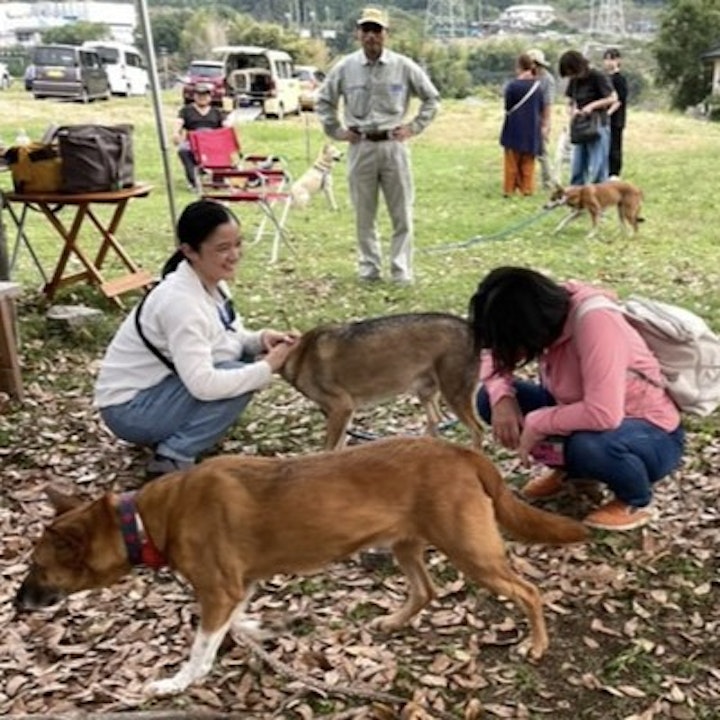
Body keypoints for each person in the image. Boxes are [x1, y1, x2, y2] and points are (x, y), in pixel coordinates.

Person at [469, 266, 684, 531]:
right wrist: (502, 398)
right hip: (576, 411)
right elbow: (492, 353)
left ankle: (632, 498)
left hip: (648, 431)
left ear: (529, 329)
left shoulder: (596, 322)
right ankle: (574, 474)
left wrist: (537, 422)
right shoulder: (544, 306)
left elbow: (604, 414)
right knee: (487, 400)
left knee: (588, 445)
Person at [94, 200, 298, 478]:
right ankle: (173, 456)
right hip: (129, 411)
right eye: (222, 248)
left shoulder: (211, 282)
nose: (235, 255)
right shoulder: (180, 302)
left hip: (158, 391)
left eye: (238, 244)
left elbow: (227, 338)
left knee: (241, 362)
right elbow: (204, 385)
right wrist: (267, 368)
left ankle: (186, 432)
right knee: (240, 376)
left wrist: (260, 340)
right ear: (189, 251)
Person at [315, 6, 440, 284]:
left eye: (377, 30)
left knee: (402, 212)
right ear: (358, 33)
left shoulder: (403, 66)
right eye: (366, 30)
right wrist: (337, 130)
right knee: (364, 213)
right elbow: (323, 100)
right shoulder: (345, 67)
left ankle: (401, 270)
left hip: (393, 146)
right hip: (361, 146)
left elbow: (432, 99)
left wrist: (413, 127)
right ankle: (369, 268)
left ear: (386, 34)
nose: (371, 36)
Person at [559, 49, 617, 186]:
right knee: (577, 167)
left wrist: (592, 106)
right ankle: (576, 199)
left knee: (598, 167)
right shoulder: (574, 81)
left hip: (598, 125)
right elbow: (570, 101)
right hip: (580, 126)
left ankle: (599, 200)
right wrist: (572, 111)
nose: (572, 76)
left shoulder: (597, 76)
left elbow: (613, 98)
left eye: (572, 72)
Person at [499, 53, 545, 197]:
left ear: (518, 67)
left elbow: (508, 107)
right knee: (528, 162)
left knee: (511, 162)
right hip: (532, 129)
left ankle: (509, 190)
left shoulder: (512, 86)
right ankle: (527, 189)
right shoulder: (538, 87)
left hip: (514, 128)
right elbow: (541, 108)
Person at [173, 83, 225, 190]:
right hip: (193, 141)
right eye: (199, 95)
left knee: (223, 151)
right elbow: (179, 122)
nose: (202, 98)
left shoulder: (217, 112)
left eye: (205, 95)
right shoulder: (186, 110)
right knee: (183, 150)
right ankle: (193, 182)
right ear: (195, 96)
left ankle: (218, 181)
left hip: (212, 141)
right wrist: (176, 133)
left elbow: (225, 125)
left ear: (210, 97)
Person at [527, 48, 556, 189]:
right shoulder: (526, 77)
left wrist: (545, 124)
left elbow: (548, 103)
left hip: (538, 118)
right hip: (525, 117)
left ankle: (547, 182)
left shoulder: (547, 80)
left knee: (542, 152)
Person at [603, 48, 628, 180]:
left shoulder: (620, 79)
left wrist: (608, 113)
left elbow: (620, 100)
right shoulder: (604, 78)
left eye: (611, 59)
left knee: (615, 145)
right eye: (606, 59)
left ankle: (614, 173)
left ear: (618, 60)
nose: (608, 62)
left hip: (616, 118)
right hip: (605, 118)